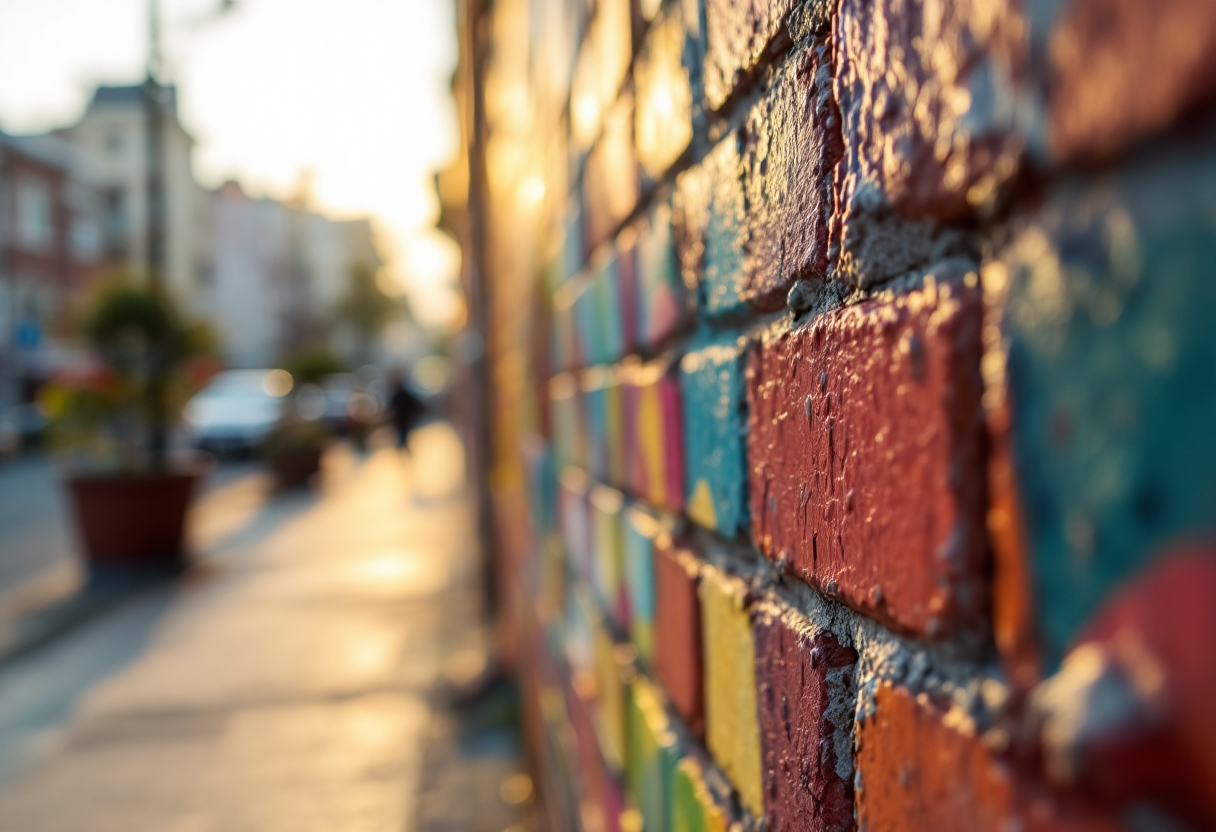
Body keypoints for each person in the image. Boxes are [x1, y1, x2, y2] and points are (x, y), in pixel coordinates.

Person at [386, 368, 427, 452]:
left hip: (404, 418)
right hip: (402, 418)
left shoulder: (402, 392)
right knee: (403, 434)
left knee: (404, 434)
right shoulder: (400, 392)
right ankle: (402, 447)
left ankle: (402, 447)